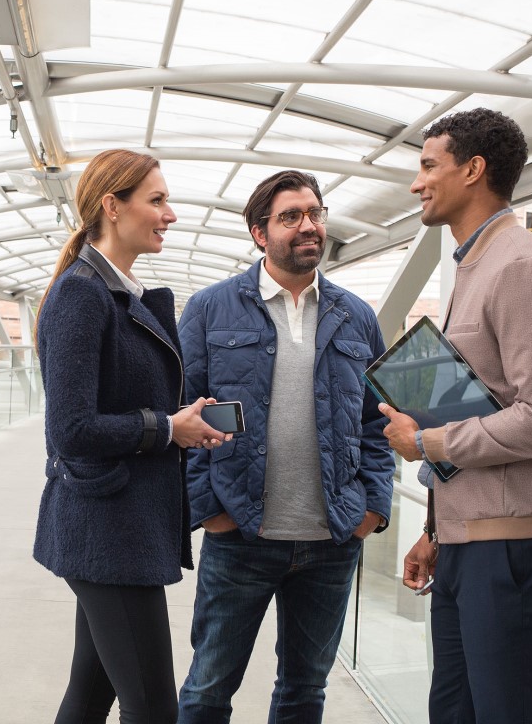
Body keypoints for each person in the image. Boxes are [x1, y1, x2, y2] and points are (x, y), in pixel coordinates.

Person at [380, 108, 532, 724]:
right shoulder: (473, 265)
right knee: (453, 713)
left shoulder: (524, 267)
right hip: (469, 547)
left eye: (428, 165)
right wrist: (436, 532)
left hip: (517, 554)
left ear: (473, 170)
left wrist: (426, 441)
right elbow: (492, 398)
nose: (417, 183)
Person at [175, 169, 395, 723]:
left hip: (332, 539)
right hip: (242, 533)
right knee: (207, 690)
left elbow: (378, 422)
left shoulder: (356, 316)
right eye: (291, 216)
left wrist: (372, 508)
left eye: (316, 213)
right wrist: (212, 511)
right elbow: (183, 415)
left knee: (304, 692)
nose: (309, 226)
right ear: (259, 232)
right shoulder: (209, 309)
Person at [33, 149, 229, 724]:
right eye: (158, 200)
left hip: (119, 524)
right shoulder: (82, 295)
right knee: (152, 708)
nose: (170, 214)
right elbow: (70, 429)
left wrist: (183, 421)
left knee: (92, 694)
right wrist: (169, 428)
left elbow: (115, 406)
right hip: (107, 530)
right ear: (113, 207)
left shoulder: (117, 293)